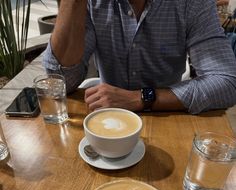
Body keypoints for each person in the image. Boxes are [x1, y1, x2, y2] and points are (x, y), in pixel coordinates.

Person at [43, 0, 236, 114]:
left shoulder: (192, 3)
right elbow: (61, 83)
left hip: (166, 117)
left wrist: (143, 98)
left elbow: (227, 83)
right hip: (105, 115)